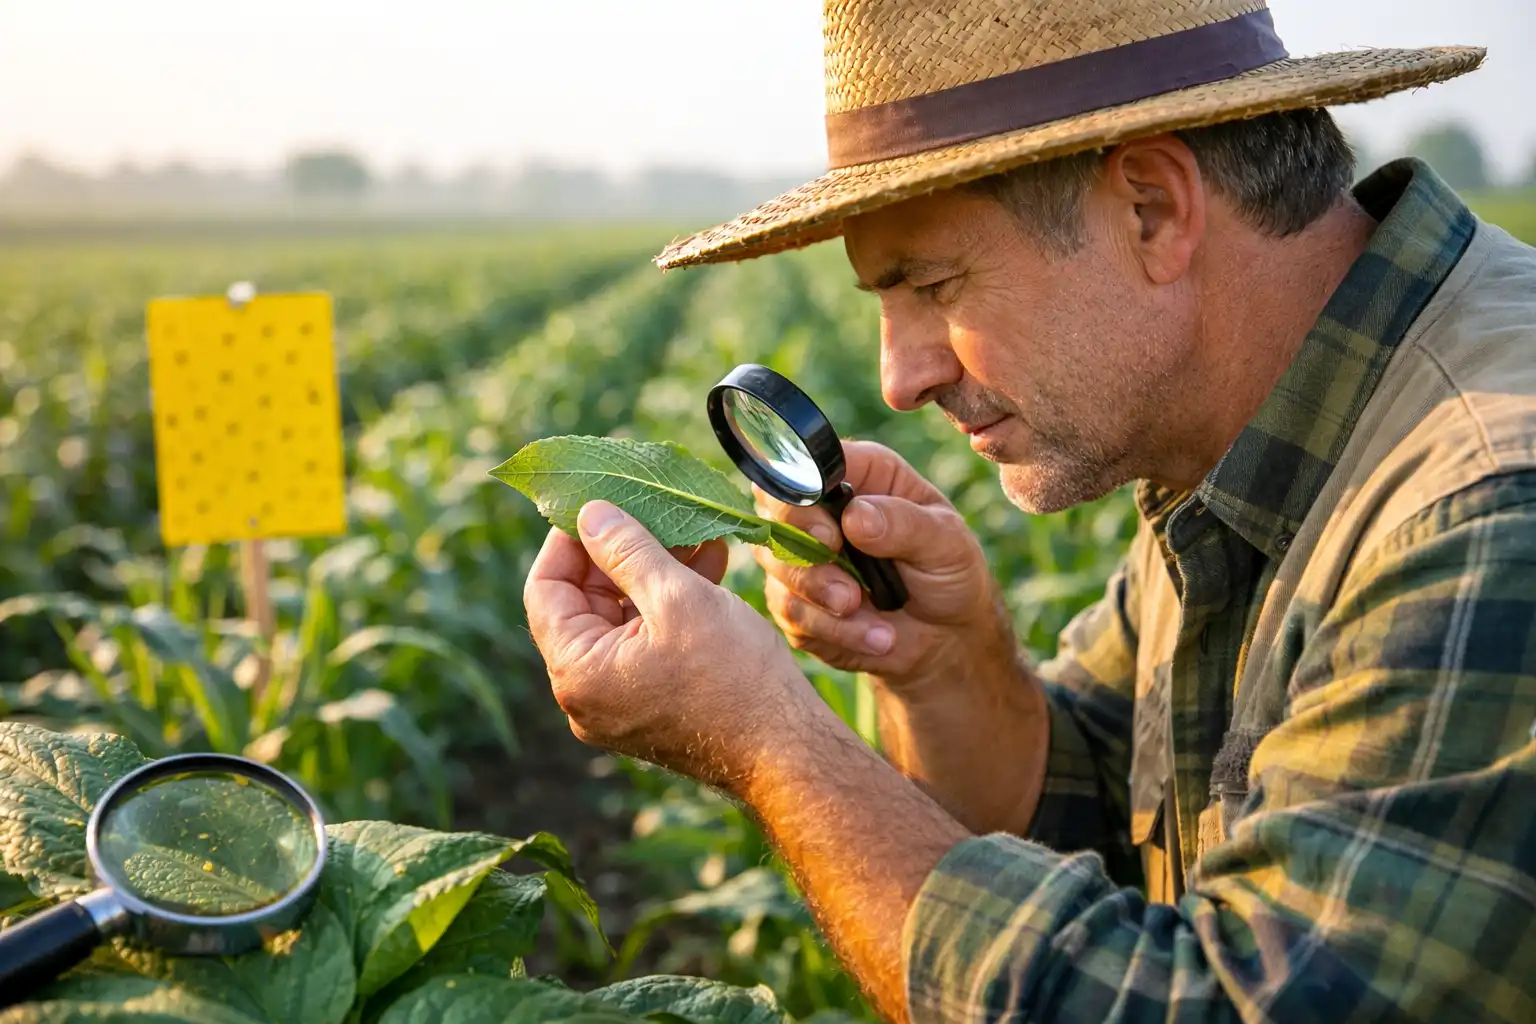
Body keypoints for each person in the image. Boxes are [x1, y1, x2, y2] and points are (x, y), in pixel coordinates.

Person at [524, 1, 1536, 1021]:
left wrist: (768, 741)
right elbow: (1095, 791)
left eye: (930, 284)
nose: (900, 378)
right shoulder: (1239, 426)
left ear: (1151, 209)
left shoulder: (1486, 506)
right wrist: (943, 670)